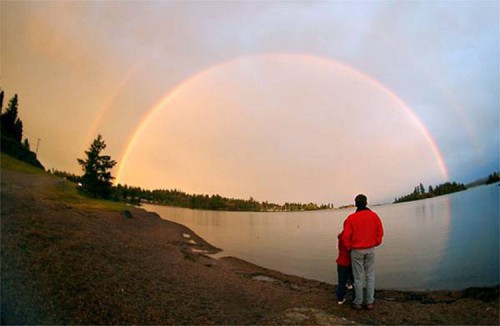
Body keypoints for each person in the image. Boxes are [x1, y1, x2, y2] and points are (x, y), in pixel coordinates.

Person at [341, 194, 384, 311]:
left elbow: (345, 236)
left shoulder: (351, 218)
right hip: (370, 249)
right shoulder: (374, 216)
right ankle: (369, 302)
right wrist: (376, 242)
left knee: (358, 277)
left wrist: (350, 247)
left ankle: (358, 303)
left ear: (356, 204)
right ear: (366, 203)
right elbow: (380, 231)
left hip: (356, 251)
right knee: (370, 276)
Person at [336, 228, 354, 304]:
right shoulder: (351, 237)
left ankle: (340, 299)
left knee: (341, 281)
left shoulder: (340, 236)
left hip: (341, 261)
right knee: (354, 280)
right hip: (350, 262)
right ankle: (355, 299)